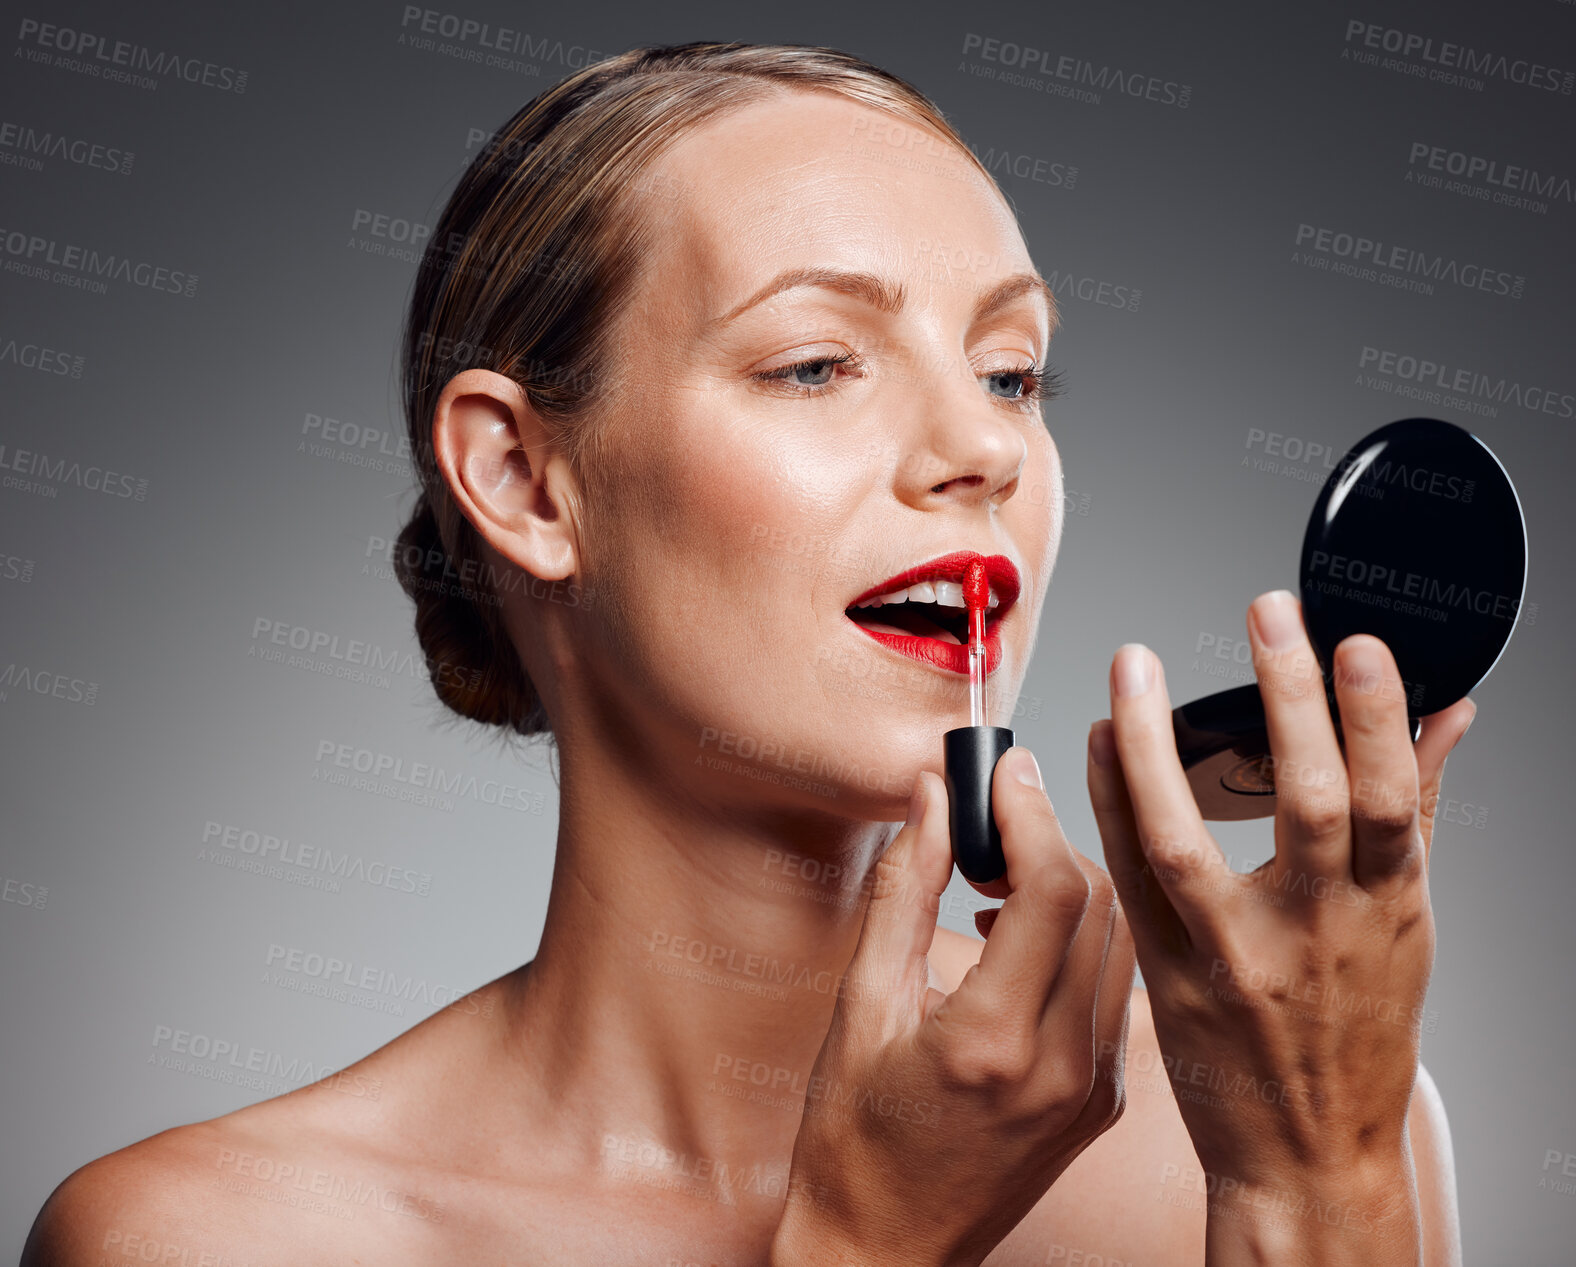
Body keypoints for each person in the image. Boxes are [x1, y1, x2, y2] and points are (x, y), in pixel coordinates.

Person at [23, 42, 1472, 1266]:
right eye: (815, 364)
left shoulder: (1289, 1121)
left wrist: (1312, 1185)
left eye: (1011, 372)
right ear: (525, 481)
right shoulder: (217, 1239)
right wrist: (861, 1241)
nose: (981, 448)